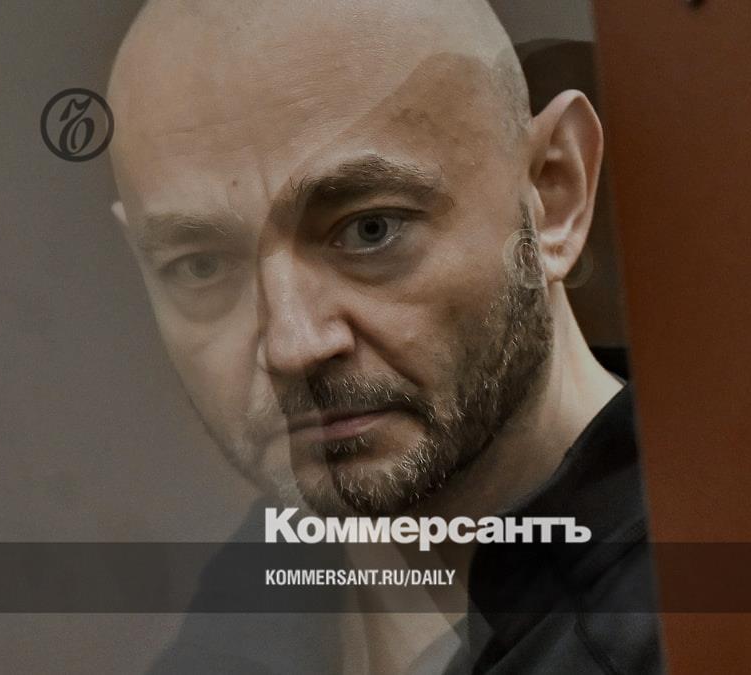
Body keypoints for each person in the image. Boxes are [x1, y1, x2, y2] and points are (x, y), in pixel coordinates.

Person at [107, 0, 662, 672]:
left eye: (371, 229)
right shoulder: (254, 601)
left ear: (554, 192)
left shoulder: (724, 622)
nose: (291, 345)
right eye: (201, 265)